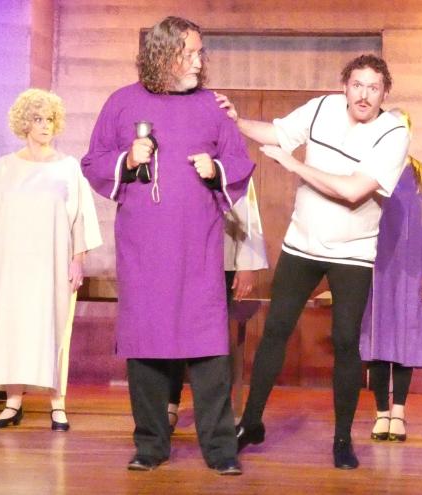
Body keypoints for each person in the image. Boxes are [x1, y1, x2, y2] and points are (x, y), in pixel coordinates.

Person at [80, 16, 254, 475]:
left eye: (200, 52)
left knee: (209, 346)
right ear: (164, 54)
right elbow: (94, 161)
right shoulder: (122, 102)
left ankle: (220, 450)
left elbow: (239, 162)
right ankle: (151, 446)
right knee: (147, 345)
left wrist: (214, 169)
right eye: (191, 52)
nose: (200, 61)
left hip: (198, 245)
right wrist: (126, 159)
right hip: (144, 247)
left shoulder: (212, 108)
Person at [222, 54, 410, 469]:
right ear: (345, 87)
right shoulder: (322, 107)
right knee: (274, 333)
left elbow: (354, 191)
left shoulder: (393, 131)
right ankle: (251, 423)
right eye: (357, 84)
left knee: (345, 344)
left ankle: (342, 440)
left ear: (384, 94)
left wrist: (293, 164)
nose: (364, 94)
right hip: (301, 245)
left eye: (374, 87)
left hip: (353, 254)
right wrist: (236, 121)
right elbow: (278, 132)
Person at [0, 89, 102, 432]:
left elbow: (80, 219)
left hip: (51, 264)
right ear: (25, 123)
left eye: (50, 120)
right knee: (11, 327)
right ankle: (13, 403)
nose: (45, 126)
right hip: (10, 264)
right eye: (38, 119)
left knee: (54, 327)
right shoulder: (4, 168)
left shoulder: (68, 168)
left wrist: (77, 260)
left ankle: (58, 403)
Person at [360, 109, 422, 443]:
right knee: (377, 340)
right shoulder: (368, 168)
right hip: (374, 267)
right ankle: (381, 412)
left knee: (405, 339)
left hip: (410, 269)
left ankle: (399, 412)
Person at [167, 178, 268, 432]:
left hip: (218, 258)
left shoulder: (227, 153)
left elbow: (246, 208)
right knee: (172, 331)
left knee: (212, 338)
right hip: (175, 255)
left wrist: (246, 264)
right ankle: (169, 402)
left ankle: (213, 411)